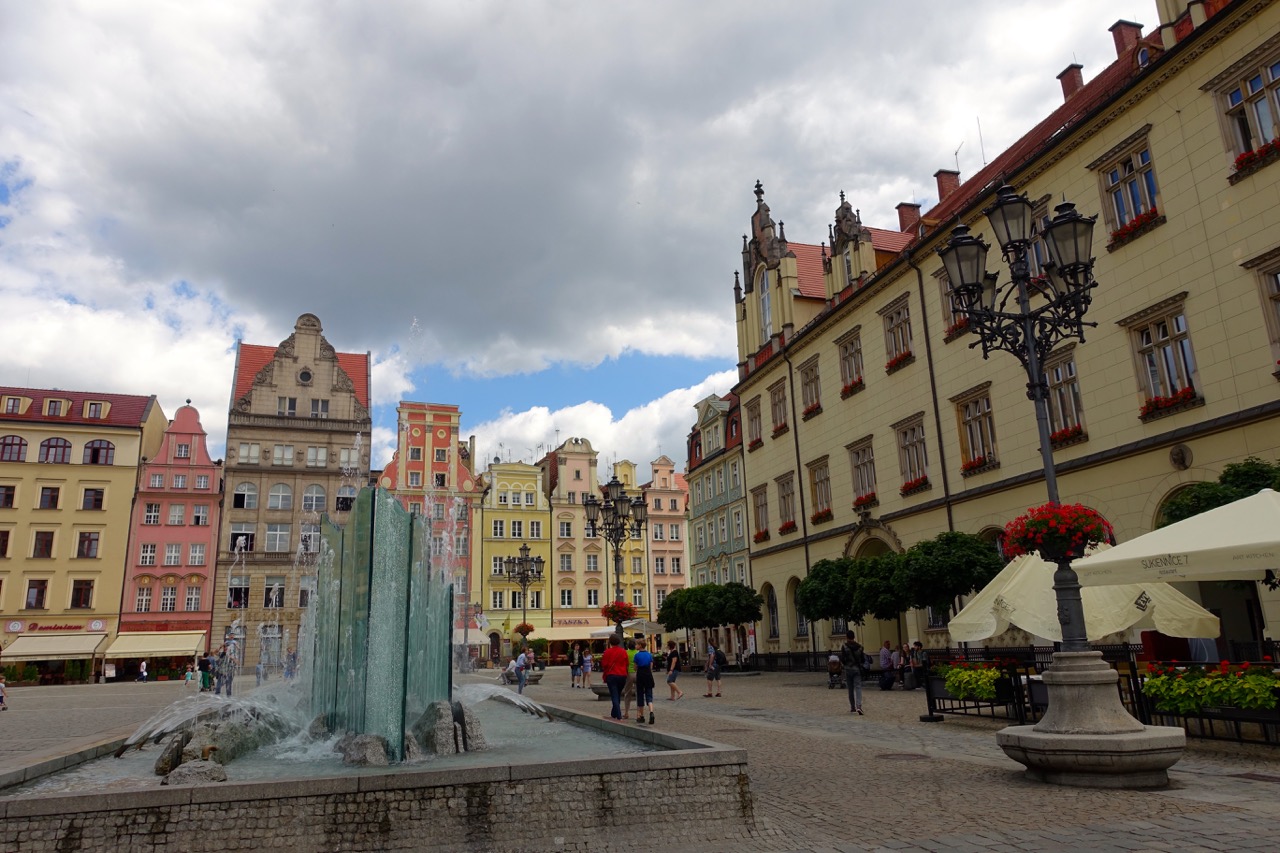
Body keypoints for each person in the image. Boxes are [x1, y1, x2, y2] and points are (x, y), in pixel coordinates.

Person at [600, 634, 629, 721]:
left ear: (610, 642)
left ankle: (619, 716)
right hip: (622, 675)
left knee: (614, 695)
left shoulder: (607, 652)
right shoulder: (623, 651)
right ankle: (614, 714)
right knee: (618, 694)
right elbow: (626, 663)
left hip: (612, 675)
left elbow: (604, 665)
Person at [839, 631, 864, 714]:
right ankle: (859, 706)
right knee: (858, 687)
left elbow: (842, 659)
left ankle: (852, 707)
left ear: (847, 637)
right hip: (857, 669)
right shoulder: (860, 647)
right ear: (854, 637)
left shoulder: (844, 646)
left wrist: (846, 664)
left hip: (848, 669)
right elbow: (863, 659)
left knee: (850, 689)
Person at [633, 638, 656, 725]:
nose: (635, 646)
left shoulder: (637, 655)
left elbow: (635, 668)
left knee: (640, 695)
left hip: (641, 676)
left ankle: (641, 716)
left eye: (636, 644)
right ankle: (651, 712)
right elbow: (651, 666)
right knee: (649, 695)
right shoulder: (649, 655)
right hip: (648, 676)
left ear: (640, 646)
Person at [621, 639, 638, 721]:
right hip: (637, 673)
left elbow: (623, 663)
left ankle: (626, 712)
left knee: (627, 693)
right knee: (639, 693)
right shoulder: (637, 653)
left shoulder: (625, 652)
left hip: (629, 673)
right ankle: (639, 713)